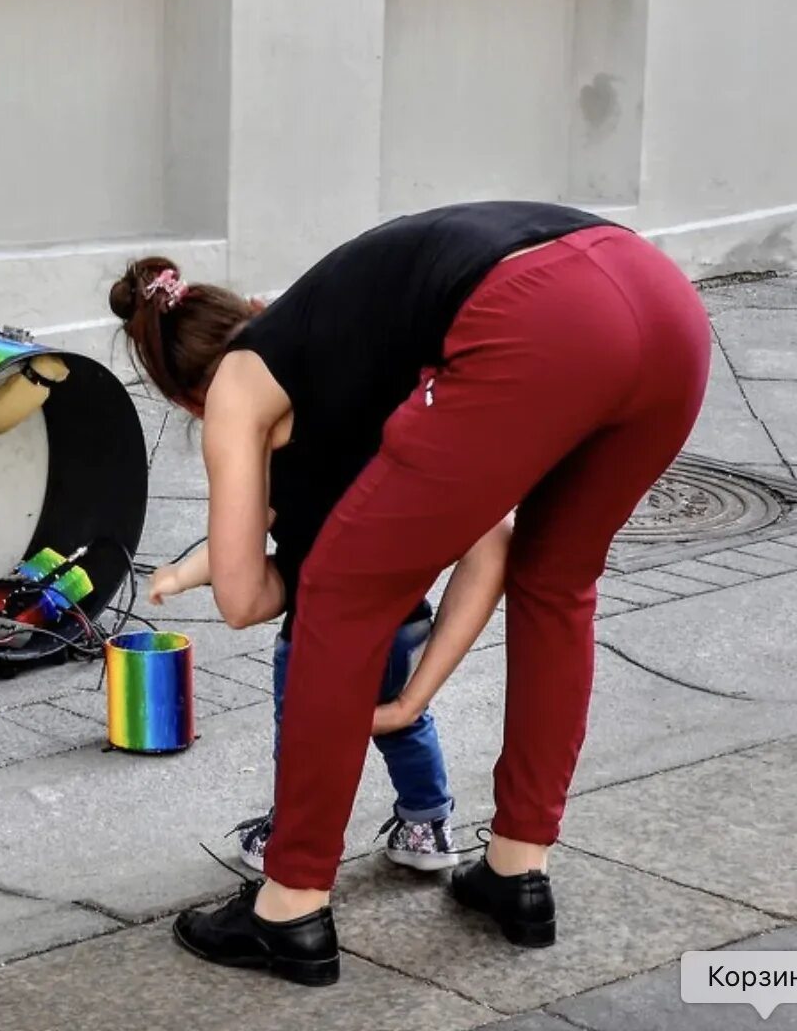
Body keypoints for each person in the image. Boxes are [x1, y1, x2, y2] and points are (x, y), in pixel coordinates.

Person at [108, 202, 711, 986]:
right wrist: (410, 693)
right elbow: (489, 542)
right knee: (558, 584)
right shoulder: (355, 344)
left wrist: (249, 544)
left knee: (340, 592)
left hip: (538, 307)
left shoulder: (237, 382)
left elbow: (244, 601)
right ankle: (516, 870)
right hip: (663, 303)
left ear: (186, 396)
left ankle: (289, 908)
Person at [146, 512, 512, 875]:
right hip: (403, 623)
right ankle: (427, 827)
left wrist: (180, 575)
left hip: (318, 632)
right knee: (406, 725)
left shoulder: (286, 465)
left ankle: (291, 835)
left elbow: (236, 542)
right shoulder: (392, 462)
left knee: (303, 740)